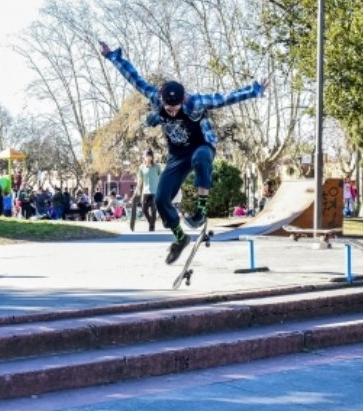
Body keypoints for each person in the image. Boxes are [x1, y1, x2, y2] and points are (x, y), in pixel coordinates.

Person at [100, 41, 267, 264]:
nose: (171, 110)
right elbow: (135, 78)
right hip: (177, 157)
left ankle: (200, 211)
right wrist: (113, 56)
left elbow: (225, 98)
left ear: (182, 100)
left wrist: (254, 90)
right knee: (160, 200)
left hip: (201, 147)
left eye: (174, 107)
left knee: (200, 157)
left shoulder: (195, 102)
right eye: (167, 108)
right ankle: (180, 238)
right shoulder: (155, 97)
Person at [136, 149, 162, 231]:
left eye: (150, 156)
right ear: (144, 157)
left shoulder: (157, 167)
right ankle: (151, 222)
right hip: (145, 191)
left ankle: (152, 226)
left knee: (153, 209)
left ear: (152, 157)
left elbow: (161, 177)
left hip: (155, 191)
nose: (148, 158)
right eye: (147, 156)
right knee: (144, 210)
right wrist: (137, 190)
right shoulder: (141, 167)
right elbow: (140, 180)